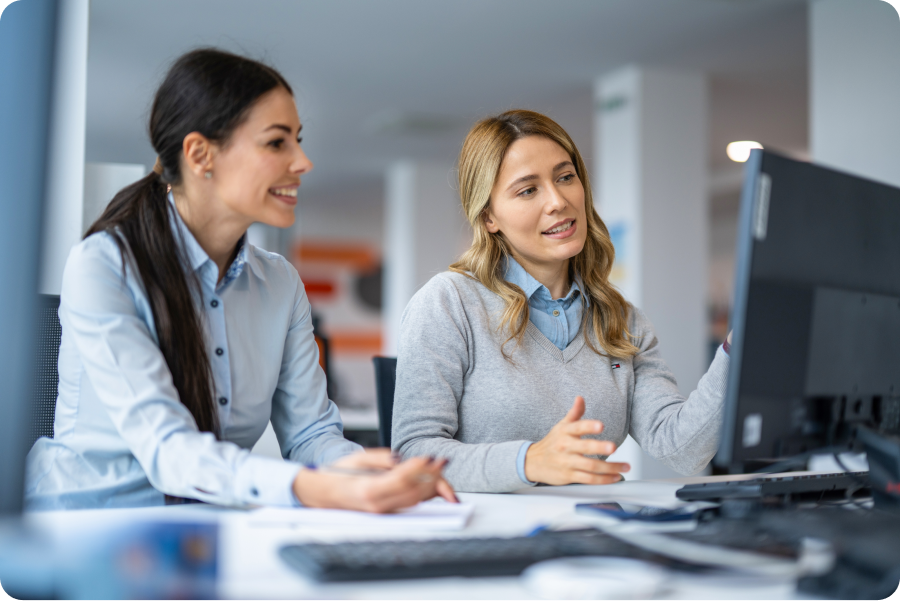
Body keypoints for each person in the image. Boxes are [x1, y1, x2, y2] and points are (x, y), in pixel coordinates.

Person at [26, 48, 454, 511]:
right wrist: (312, 489)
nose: (303, 161)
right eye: (277, 143)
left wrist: (369, 471)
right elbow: (169, 449)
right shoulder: (104, 265)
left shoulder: (280, 283)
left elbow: (311, 434)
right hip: (85, 524)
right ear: (200, 154)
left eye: (298, 140)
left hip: (209, 528)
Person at [392, 110, 731, 493]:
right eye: (528, 190)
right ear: (489, 217)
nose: (558, 201)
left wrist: (737, 350)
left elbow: (682, 450)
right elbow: (414, 455)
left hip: (592, 531)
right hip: (493, 539)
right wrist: (529, 461)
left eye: (565, 177)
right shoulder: (448, 303)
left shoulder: (622, 320)